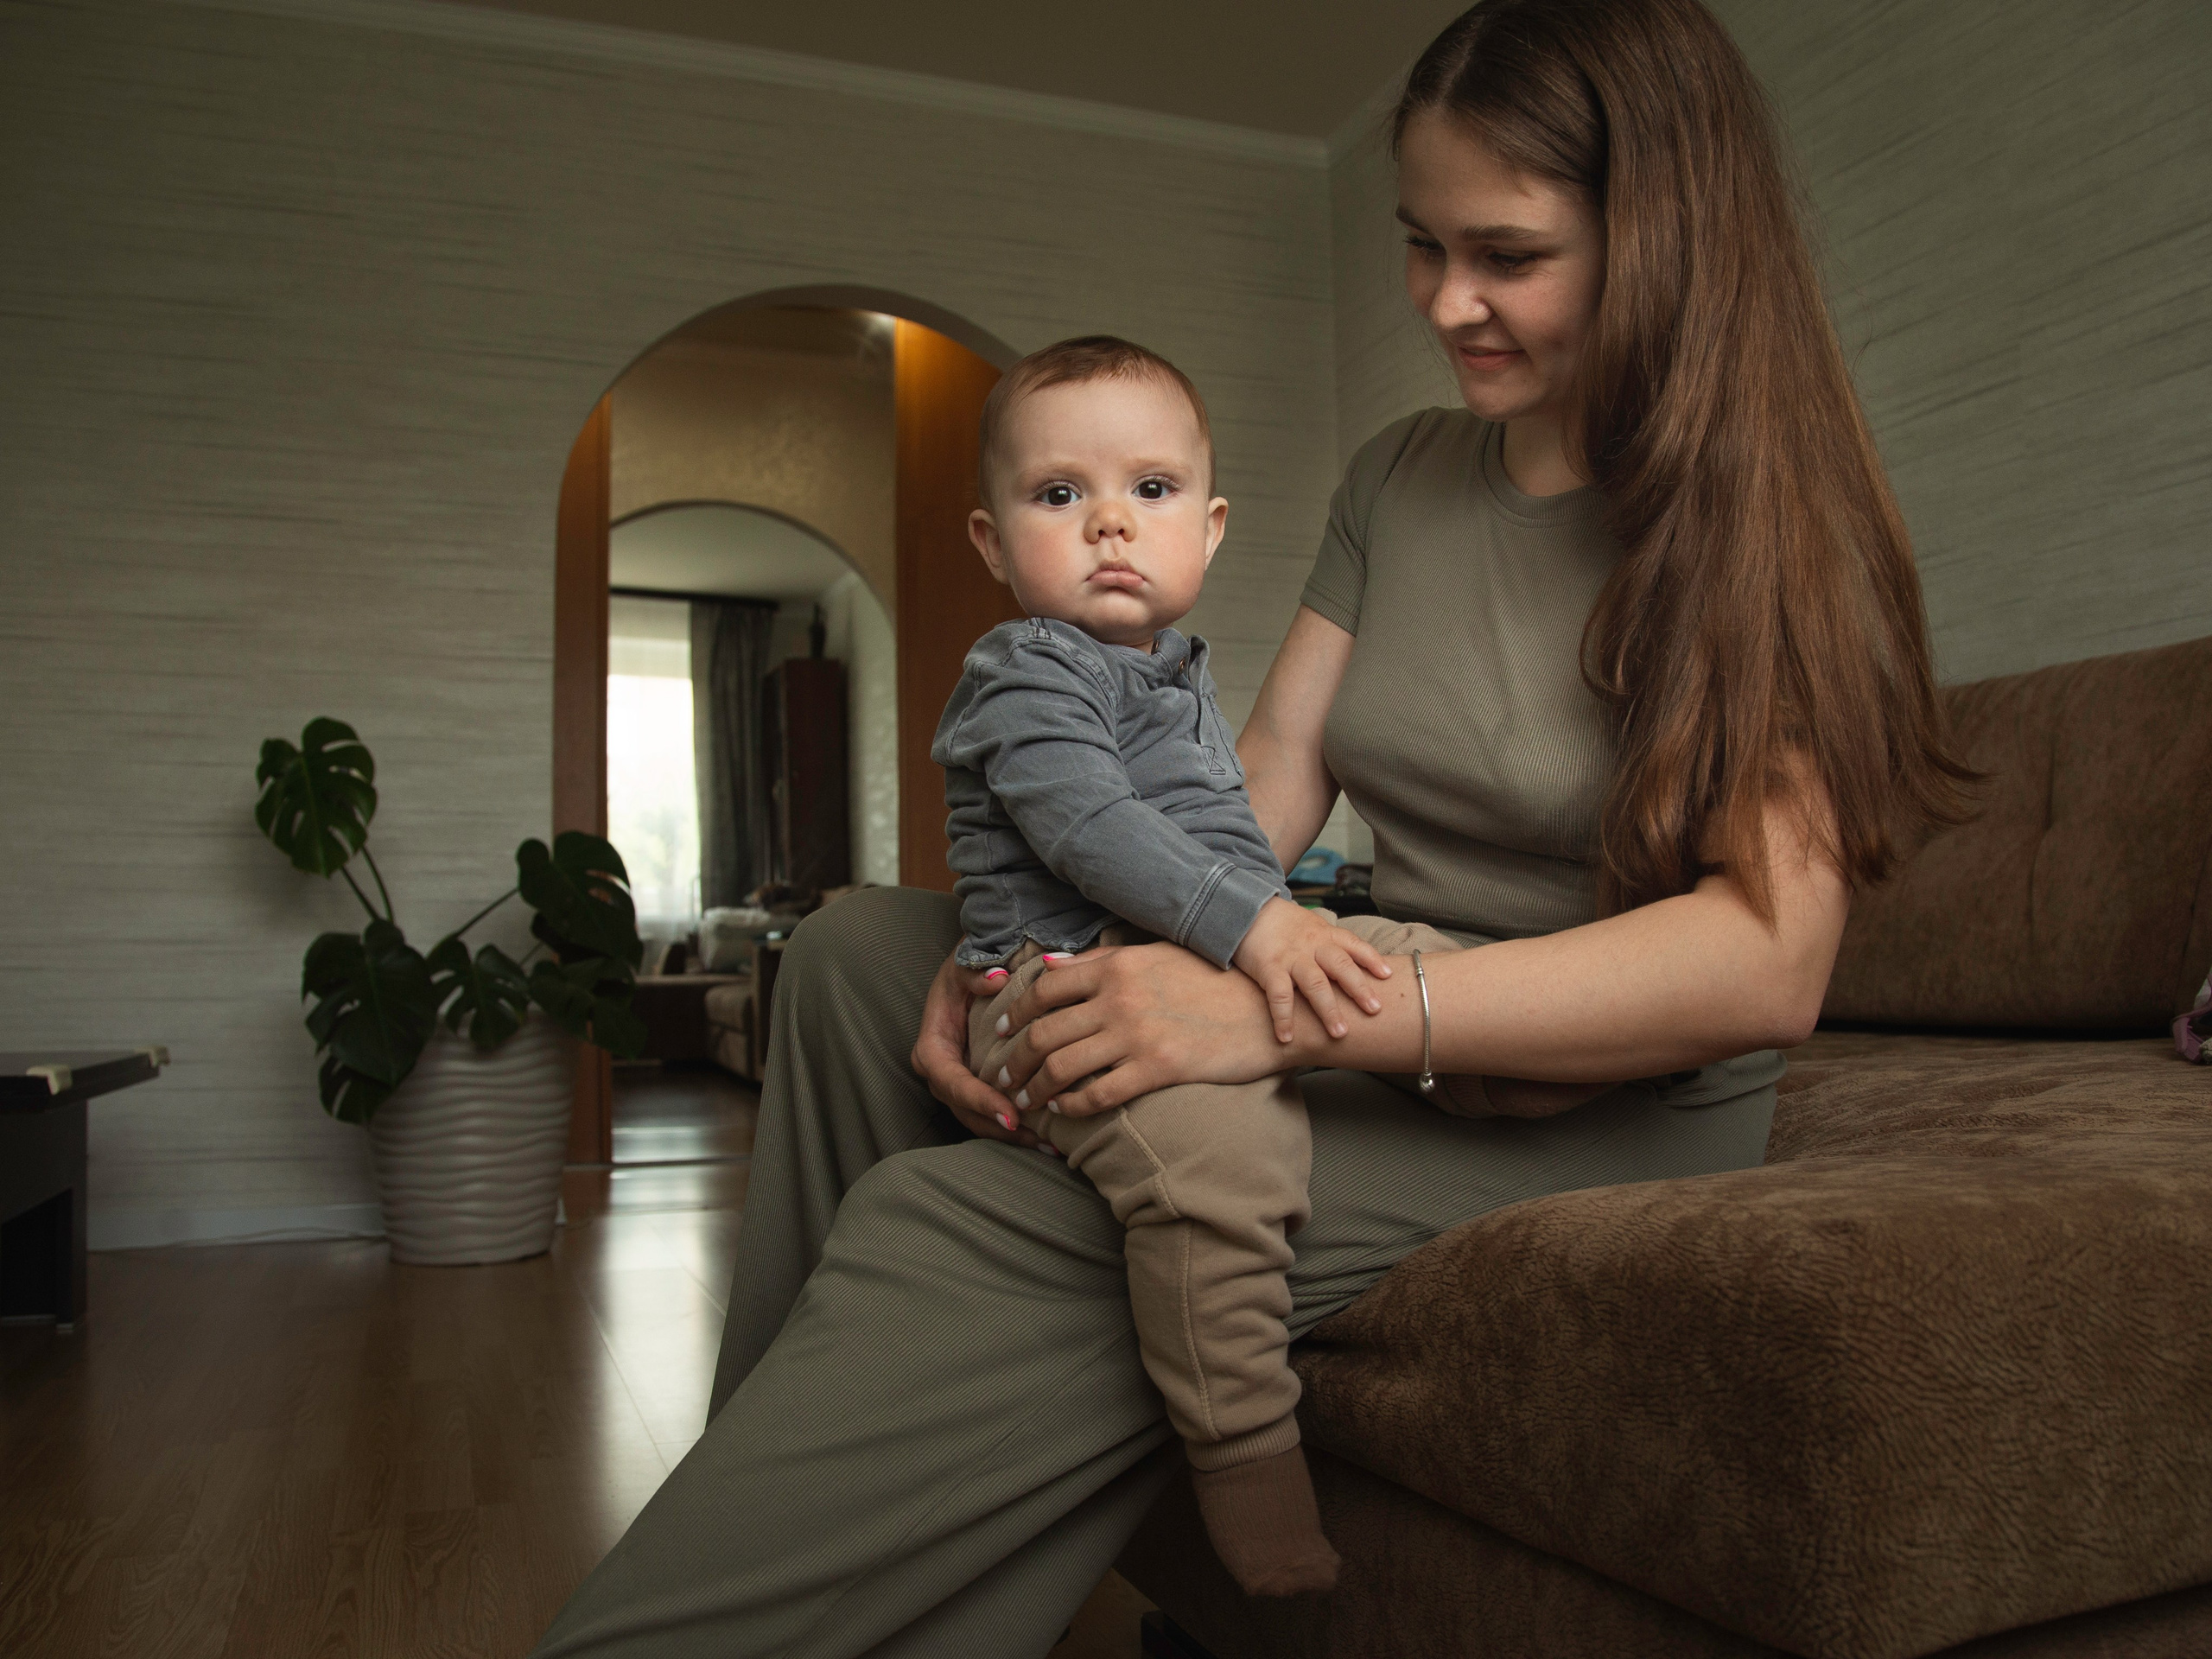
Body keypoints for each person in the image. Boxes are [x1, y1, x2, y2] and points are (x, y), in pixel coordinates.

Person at [531, 0, 1972, 1653]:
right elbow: (1260, 779)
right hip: (1359, 971)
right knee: (863, 950)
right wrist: (1032, 953)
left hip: (1583, 1087)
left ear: (1668, 236)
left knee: (993, 1212)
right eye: (1422, 244)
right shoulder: (1405, 473)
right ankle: (845, 1505)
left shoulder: (1776, 524)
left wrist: (1280, 1011)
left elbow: (1770, 963)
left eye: (1506, 254)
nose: (1444, 301)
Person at [936, 333, 1484, 1597]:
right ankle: (1242, 1453)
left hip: (1186, 949)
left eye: (1152, 492)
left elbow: (1229, 822)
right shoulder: (1022, 671)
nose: (1110, 526)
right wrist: (1263, 925)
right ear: (990, 540)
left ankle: (1517, 1070)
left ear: (1214, 528)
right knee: (1226, 1167)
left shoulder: (1173, 674)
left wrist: (1297, 927)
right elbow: (1091, 829)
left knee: (1419, 960)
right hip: (1061, 989)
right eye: (1059, 495)